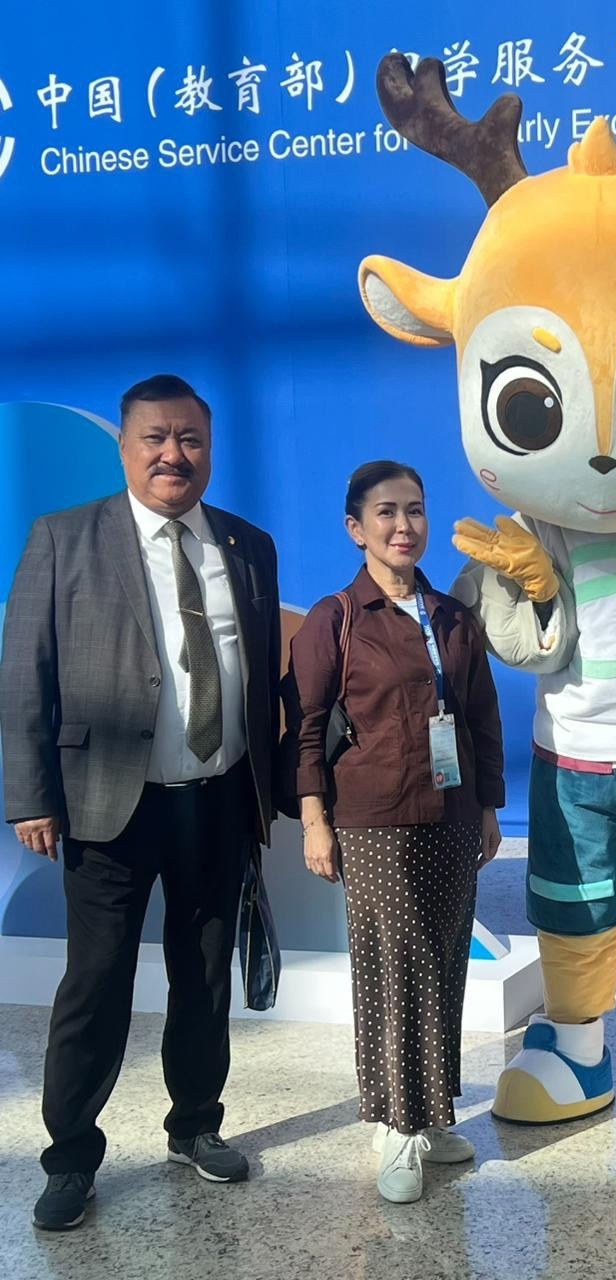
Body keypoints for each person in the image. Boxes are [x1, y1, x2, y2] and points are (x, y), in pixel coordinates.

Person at [0, 374, 281, 1231]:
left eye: (190, 438)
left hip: (220, 800)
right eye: (155, 438)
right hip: (106, 806)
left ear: (209, 448)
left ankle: (195, 1125)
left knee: (204, 976)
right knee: (96, 984)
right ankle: (70, 1159)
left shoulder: (248, 546)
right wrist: (30, 798)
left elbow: (263, 676)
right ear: (125, 448)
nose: (173, 454)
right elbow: (24, 677)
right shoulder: (63, 538)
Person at [284, 460, 505, 1204]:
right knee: (393, 967)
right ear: (356, 528)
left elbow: (481, 717)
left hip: (452, 812)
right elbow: (308, 728)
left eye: (415, 509)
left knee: (444, 962)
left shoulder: (453, 616)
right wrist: (315, 820)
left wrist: (488, 806)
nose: (403, 525)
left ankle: (432, 1115)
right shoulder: (337, 619)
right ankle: (395, 1125)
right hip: (372, 818)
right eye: (386, 512)